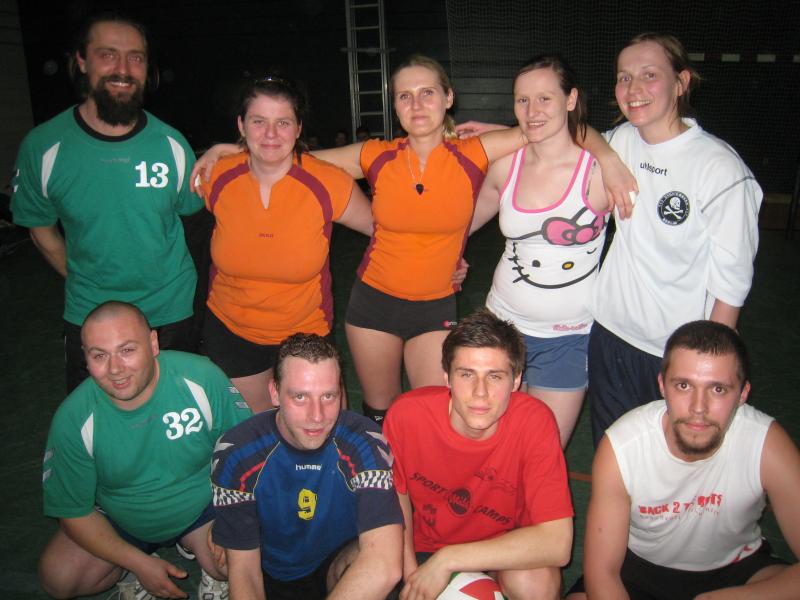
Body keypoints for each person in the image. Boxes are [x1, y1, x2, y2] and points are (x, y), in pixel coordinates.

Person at [193, 54, 634, 425]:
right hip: (372, 304)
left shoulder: (476, 152)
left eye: (427, 93)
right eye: (405, 96)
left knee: (434, 413)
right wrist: (233, 149)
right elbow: (292, 157)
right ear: (395, 106)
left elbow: (558, 128)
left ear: (448, 98)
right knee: (378, 412)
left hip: (435, 306)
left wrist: (609, 157)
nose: (417, 104)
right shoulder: (375, 155)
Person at [10, 12, 203, 393]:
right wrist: (85, 279)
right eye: (108, 54)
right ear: (81, 61)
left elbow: (193, 222)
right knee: (99, 420)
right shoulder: (44, 147)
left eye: (136, 57)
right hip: (92, 315)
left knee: (176, 414)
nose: (123, 69)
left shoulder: (172, 144)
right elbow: (40, 229)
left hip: (171, 312)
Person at [585, 33, 762, 445]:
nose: (634, 89)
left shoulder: (720, 169)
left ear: (681, 82)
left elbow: (731, 283)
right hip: (610, 336)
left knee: (676, 462)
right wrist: (607, 157)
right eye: (624, 77)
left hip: (675, 353)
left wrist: (706, 367)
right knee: (614, 455)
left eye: (649, 75)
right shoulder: (620, 141)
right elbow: (568, 133)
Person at [567, 320, 800, 599]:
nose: (698, 407)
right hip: (637, 569)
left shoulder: (766, 444)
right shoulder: (623, 447)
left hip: (739, 569)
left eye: (718, 389)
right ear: (662, 385)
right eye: (684, 385)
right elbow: (603, 573)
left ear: (742, 394)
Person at [39, 301, 251, 600]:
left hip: (202, 511)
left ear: (153, 343)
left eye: (127, 350)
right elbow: (73, 511)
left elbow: (245, 453)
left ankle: (206, 561)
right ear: (85, 357)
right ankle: (131, 568)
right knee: (59, 579)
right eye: (99, 355)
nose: (115, 369)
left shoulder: (201, 378)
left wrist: (232, 516)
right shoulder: (74, 418)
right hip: (122, 520)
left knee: (241, 556)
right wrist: (137, 563)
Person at [198, 76, 373, 412]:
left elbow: (385, 230)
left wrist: (443, 260)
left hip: (306, 332)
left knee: (323, 427)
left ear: (298, 128)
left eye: (283, 122)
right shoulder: (215, 176)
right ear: (241, 125)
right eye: (258, 121)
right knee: (260, 432)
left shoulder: (328, 182)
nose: (271, 134)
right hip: (231, 330)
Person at [470, 55, 610, 448]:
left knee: (540, 454)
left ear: (571, 99)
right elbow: (458, 226)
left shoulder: (600, 170)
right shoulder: (505, 166)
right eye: (522, 100)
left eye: (545, 98)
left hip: (567, 339)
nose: (532, 111)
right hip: (500, 327)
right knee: (489, 447)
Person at [384, 310, 573, 599]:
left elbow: (558, 543)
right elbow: (396, 502)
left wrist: (449, 559)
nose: (480, 393)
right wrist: (412, 579)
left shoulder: (534, 421)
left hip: (502, 549)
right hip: (425, 548)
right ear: (447, 377)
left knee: (536, 583)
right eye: (467, 374)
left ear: (516, 380)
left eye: (495, 376)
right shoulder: (407, 416)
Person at [209, 333, 403, 600]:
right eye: (300, 397)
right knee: (225, 559)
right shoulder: (237, 453)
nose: (317, 416)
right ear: (275, 393)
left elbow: (384, 565)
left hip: (338, 560)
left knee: (380, 566)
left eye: (329, 396)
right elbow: (245, 571)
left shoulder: (364, 442)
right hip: (272, 570)